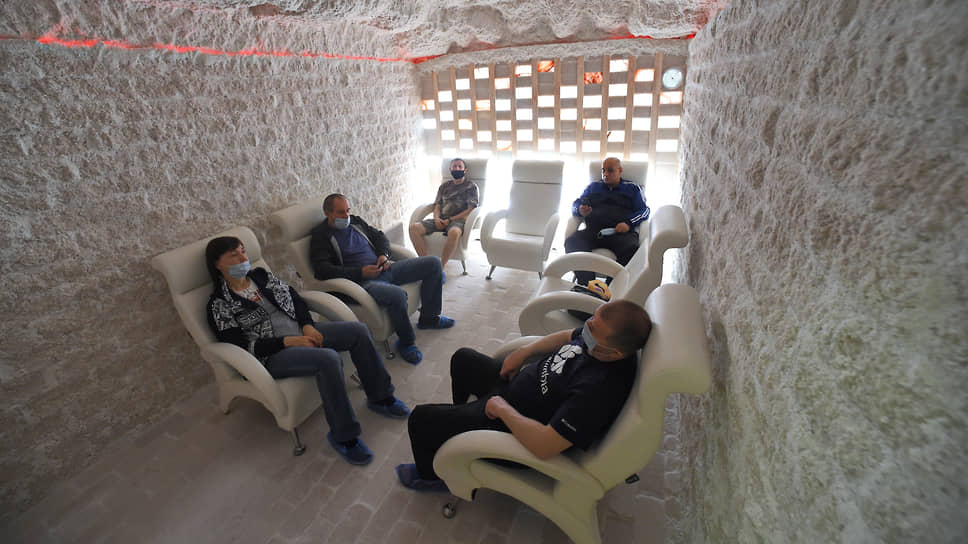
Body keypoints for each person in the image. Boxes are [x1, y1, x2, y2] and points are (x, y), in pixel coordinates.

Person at [395, 300, 652, 491]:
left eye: (593, 331)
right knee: (463, 358)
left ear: (615, 354)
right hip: (511, 392)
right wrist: (524, 352)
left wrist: (502, 410)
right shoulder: (601, 341)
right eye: (590, 322)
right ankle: (456, 427)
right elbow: (567, 336)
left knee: (421, 419)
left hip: (513, 428)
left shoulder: (598, 390)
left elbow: (545, 445)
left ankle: (431, 477)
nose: (586, 332)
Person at [205, 236, 410, 466]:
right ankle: (344, 437)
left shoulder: (260, 276)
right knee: (328, 359)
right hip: (271, 355)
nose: (243, 258)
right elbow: (242, 346)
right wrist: (288, 342)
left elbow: (295, 298)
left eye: (243, 251)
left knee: (358, 331)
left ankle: (381, 397)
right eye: (234, 255)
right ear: (217, 264)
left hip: (300, 332)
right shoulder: (219, 304)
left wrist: (307, 325)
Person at [309, 193, 454, 365]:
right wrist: (360, 272)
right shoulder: (320, 236)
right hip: (363, 282)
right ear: (328, 213)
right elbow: (323, 270)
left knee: (434, 263)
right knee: (397, 295)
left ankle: (429, 318)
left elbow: (379, 236)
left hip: (385, 268)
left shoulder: (355, 221)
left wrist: (383, 255)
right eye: (341, 212)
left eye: (348, 210)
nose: (346, 216)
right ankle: (406, 342)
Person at [564, 157, 650, 285]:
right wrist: (580, 210)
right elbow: (575, 205)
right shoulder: (593, 187)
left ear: (620, 171)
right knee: (572, 242)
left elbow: (645, 211)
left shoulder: (633, 188)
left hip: (620, 233)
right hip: (594, 231)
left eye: (610, 170)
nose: (605, 174)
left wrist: (629, 223)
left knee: (633, 249)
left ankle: (611, 287)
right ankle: (589, 285)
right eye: (603, 170)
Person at [408, 158, 480, 272]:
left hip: (458, 221)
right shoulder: (444, 186)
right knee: (413, 228)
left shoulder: (471, 186)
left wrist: (450, 220)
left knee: (454, 233)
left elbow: (470, 209)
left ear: (465, 170)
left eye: (459, 166)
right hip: (441, 219)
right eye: (454, 166)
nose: (457, 169)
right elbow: (437, 205)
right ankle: (427, 264)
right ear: (450, 170)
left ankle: (440, 267)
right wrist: (436, 218)